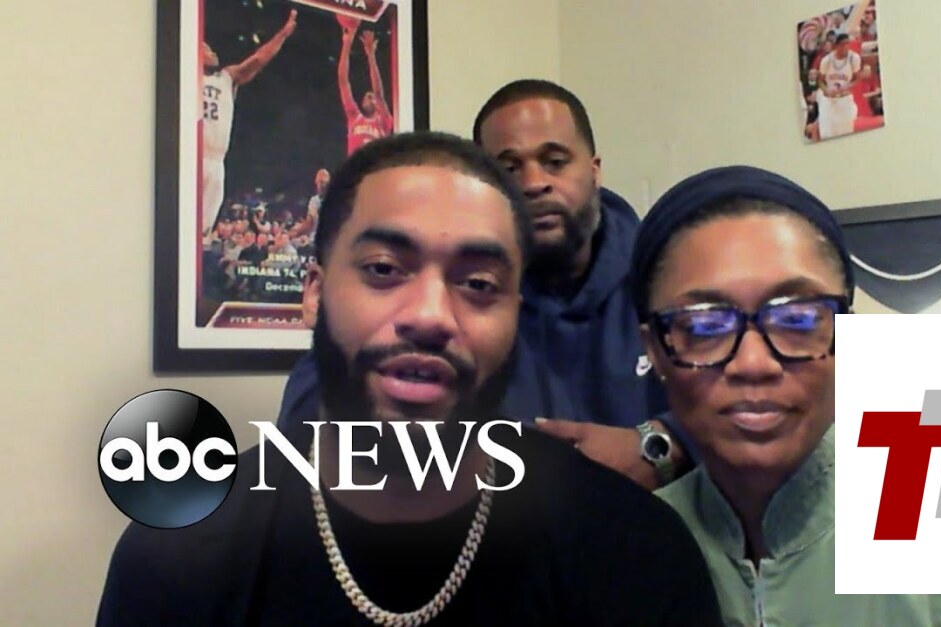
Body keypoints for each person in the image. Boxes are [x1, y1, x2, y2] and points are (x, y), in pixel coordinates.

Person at [97, 132, 722, 626]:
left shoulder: (630, 547)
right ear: (313, 294)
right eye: (383, 269)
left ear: (515, 317)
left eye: (478, 284)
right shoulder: (181, 553)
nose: (430, 316)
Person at [629, 165, 941, 626]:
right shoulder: (629, 542)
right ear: (655, 350)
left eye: (797, 318)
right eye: (704, 325)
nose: (754, 363)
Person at [278, 80, 689, 491]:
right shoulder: (445, 293)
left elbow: (726, 390)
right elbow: (322, 398)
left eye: (555, 161)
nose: (534, 183)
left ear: (594, 171)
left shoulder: (670, 276)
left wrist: (663, 443)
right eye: (509, 168)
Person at [201, 9, 298, 240]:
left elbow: (257, 60)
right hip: (191, 155)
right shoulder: (185, 77)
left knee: (202, 232)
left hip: (216, 161)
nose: (213, 52)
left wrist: (283, 34)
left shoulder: (226, 77)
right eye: (207, 48)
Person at [337, 19, 394, 155]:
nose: (369, 98)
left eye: (371, 97)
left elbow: (378, 94)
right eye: (366, 97)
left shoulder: (384, 121)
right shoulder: (354, 117)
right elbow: (343, 81)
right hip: (356, 166)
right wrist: (347, 43)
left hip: (374, 166)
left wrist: (371, 55)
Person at [816, 33, 862, 139]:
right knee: (827, 134)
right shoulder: (827, 60)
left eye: (847, 44)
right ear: (836, 46)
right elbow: (820, 80)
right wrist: (826, 90)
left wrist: (847, 86)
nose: (846, 47)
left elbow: (857, 78)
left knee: (846, 133)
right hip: (829, 100)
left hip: (845, 99)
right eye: (842, 44)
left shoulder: (854, 58)